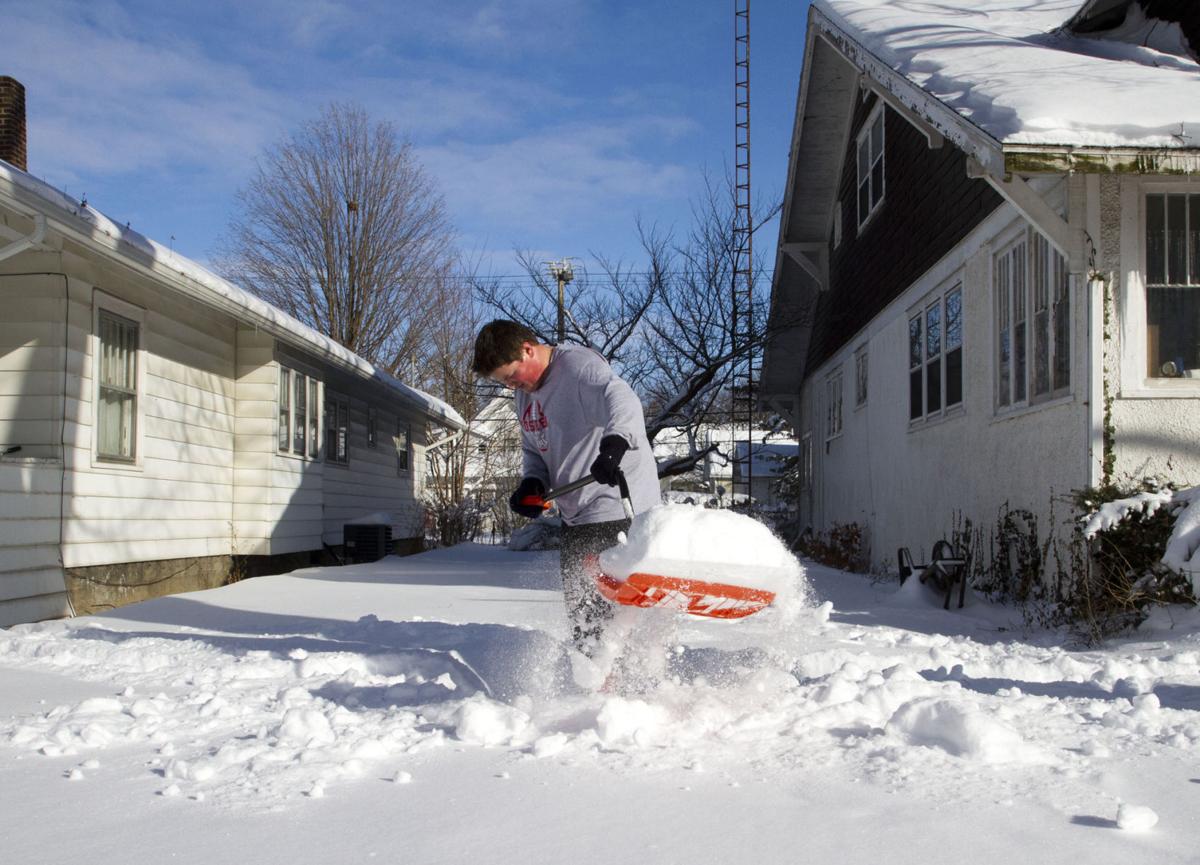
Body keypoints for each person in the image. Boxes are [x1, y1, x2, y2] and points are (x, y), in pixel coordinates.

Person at [471, 319, 660, 654]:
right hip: (575, 517)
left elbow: (623, 399)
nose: (512, 386)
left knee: (613, 621)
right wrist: (533, 483)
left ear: (528, 349)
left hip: (616, 507)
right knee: (585, 620)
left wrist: (614, 444)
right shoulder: (524, 396)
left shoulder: (577, 367)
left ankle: (636, 680)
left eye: (511, 376)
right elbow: (534, 449)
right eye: (504, 382)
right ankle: (597, 681)